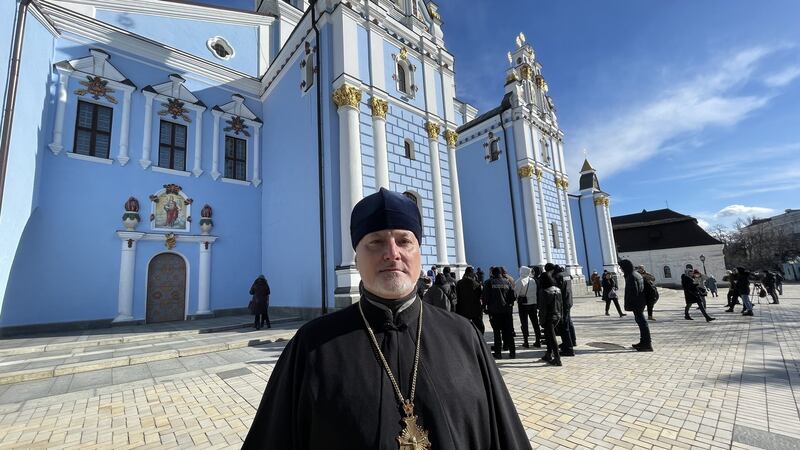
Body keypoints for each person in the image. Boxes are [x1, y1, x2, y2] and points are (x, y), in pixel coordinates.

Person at [243, 188, 531, 449]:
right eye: (376, 242)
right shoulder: (311, 346)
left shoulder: (464, 336)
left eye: (404, 241)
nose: (392, 254)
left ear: (419, 253)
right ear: (356, 259)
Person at [483, 267, 516, 359]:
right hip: (506, 311)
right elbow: (512, 296)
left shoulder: (489, 282)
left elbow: (485, 297)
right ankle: (512, 353)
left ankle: (498, 353)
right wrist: (509, 304)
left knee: (497, 333)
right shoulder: (507, 282)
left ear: (492, 274)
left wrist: (484, 308)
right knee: (509, 332)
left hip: (494, 312)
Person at [620, 260, 652, 351]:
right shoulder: (636, 274)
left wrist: (630, 304)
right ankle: (644, 342)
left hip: (637, 304)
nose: (620, 269)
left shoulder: (631, 276)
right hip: (640, 303)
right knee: (642, 323)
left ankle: (646, 343)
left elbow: (633, 292)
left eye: (621, 267)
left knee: (642, 323)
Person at [537, 263, 562, 366]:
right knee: (549, 336)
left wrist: (541, 320)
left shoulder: (544, 291)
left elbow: (542, 308)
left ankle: (557, 358)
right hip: (557, 315)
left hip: (548, 317)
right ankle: (548, 354)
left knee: (551, 337)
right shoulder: (558, 290)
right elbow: (561, 304)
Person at [514, 266, 541, 348]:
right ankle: (538, 340)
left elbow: (516, 294)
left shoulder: (519, 281)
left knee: (524, 323)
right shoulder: (533, 280)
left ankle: (526, 342)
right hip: (533, 304)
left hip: (523, 305)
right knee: (535, 323)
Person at [455, 267, 484, 334]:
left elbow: (456, 295)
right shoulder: (476, 284)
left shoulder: (459, 283)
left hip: (462, 309)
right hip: (475, 309)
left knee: (464, 326)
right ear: (472, 273)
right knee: (478, 326)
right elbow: (480, 296)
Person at [554, 265, 575, 357]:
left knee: (564, 326)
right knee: (568, 323)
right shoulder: (567, 275)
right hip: (569, 301)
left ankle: (568, 348)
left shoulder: (559, 277)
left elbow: (559, 291)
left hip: (563, 304)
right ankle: (572, 341)